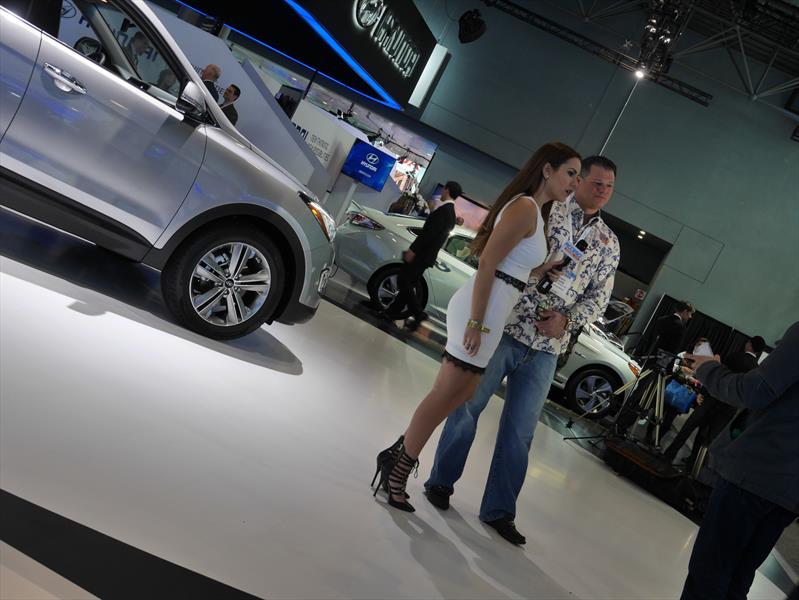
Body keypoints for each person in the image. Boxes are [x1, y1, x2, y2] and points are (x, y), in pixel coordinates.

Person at [372, 143, 582, 514]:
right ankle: (398, 468)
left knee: (457, 395)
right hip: (479, 315)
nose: (574, 183)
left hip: (490, 317)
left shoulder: (535, 211)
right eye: (571, 173)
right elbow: (487, 264)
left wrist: (540, 271)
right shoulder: (524, 207)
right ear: (547, 170)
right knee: (444, 396)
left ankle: (396, 456)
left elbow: (510, 271)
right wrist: (475, 321)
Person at [423, 155, 620, 545]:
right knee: (467, 406)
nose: (602, 191)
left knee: (521, 431)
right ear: (578, 181)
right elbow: (510, 261)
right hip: (508, 326)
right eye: (595, 182)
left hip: (548, 345)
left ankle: (499, 510)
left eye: (609, 186)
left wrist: (567, 320)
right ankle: (441, 481)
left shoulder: (608, 243)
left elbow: (600, 298)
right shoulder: (546, 211)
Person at [679, 323, 799, 600]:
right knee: (737, 578)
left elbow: (755, 391)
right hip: (787, 492)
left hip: (757, 470)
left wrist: (708, 368)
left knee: (709, 574)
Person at [662, 335, 766, 465]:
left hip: (712, 398)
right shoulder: (756, 370)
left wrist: (702, 393)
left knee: (689, 427)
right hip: (728, 409)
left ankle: (669, 455)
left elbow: (718, 376)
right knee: (708, 438)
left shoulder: (734, 357)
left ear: (749, 344)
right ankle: (694, 465)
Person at [379, 181, 462, 330]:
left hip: (421, 255)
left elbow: (428, 234)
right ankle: (391, 313)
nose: (442, 192)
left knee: (404, 281)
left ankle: (418, 313)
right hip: (427, 256)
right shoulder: (450, 213)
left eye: (443, 190)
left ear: (447, 190)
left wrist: (413, 250)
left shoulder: (444, 211)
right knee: (408, 284)